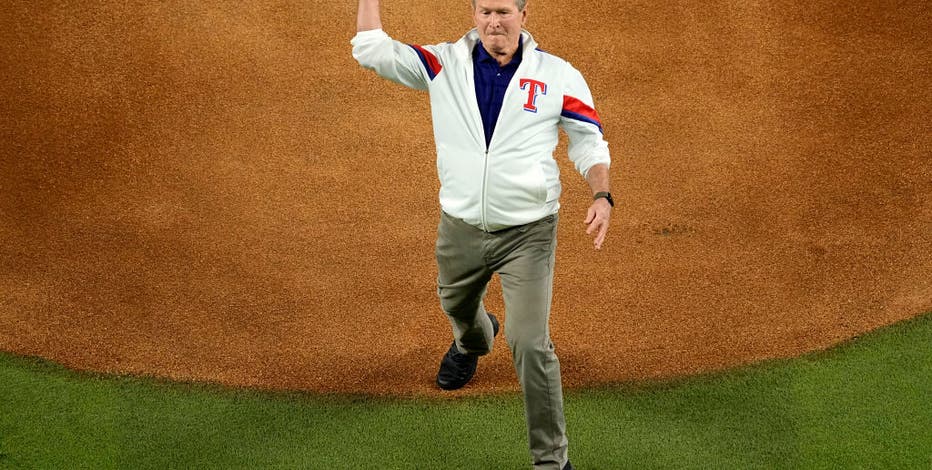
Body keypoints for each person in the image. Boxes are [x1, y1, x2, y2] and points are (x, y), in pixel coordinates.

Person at [352, 0, 612, 468]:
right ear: (474, 15)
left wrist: (601, 195)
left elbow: (588, 139)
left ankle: (552, 461)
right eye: (486, 11)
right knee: (455, 304)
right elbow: (371, 49)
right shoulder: (441, 65)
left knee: (530, 343)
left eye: (505, 11)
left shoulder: (557, 75)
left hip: (528, 233)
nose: (495, 21)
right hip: (461, 227)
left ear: (523, 16)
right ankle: (473, 340)